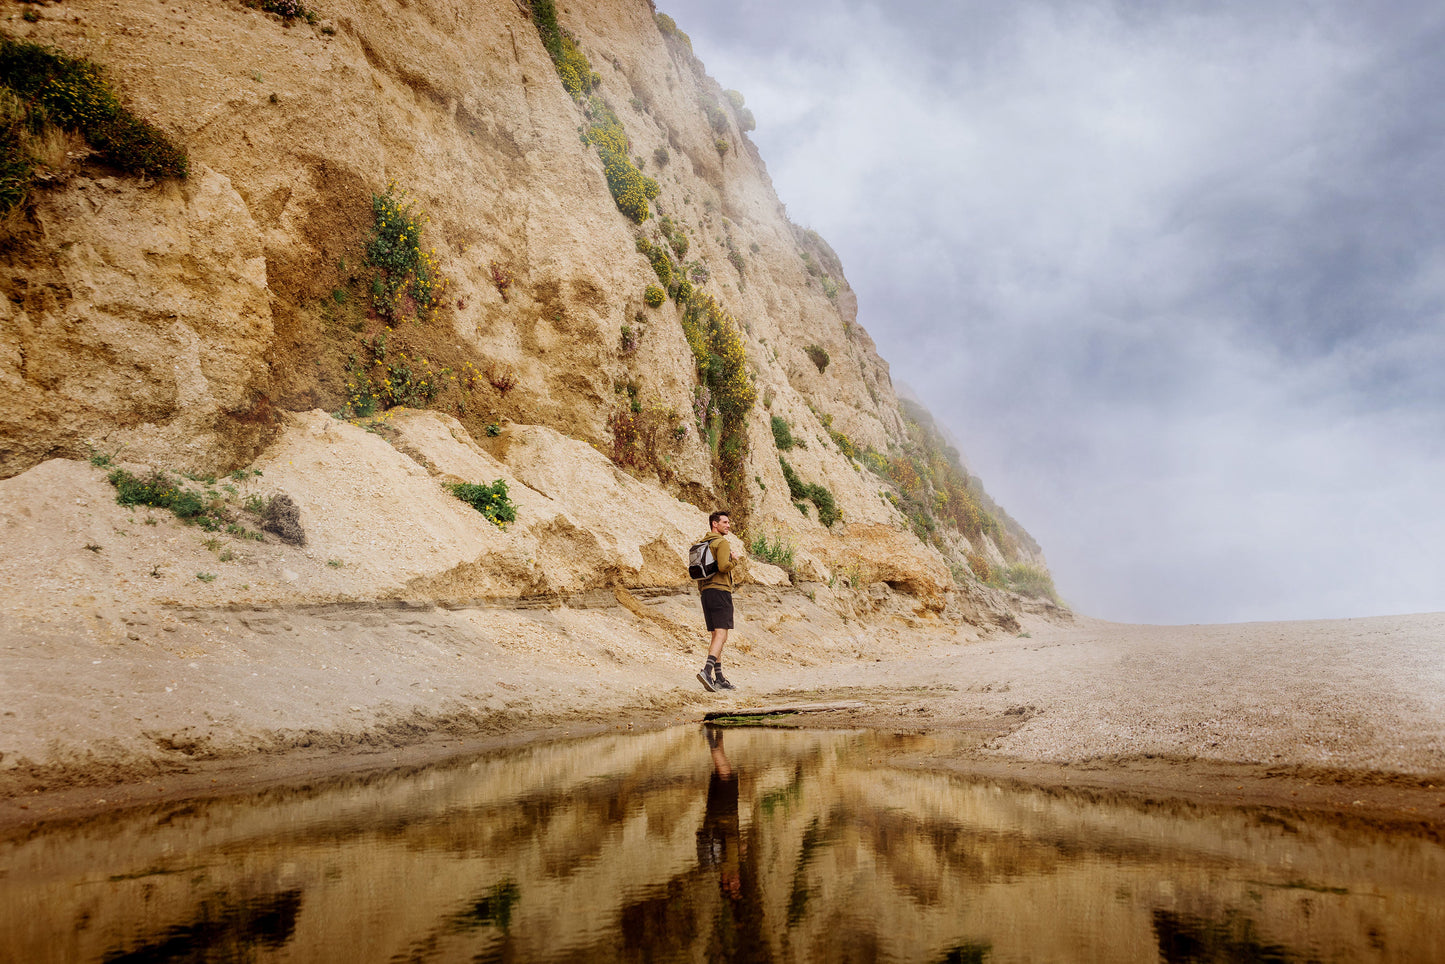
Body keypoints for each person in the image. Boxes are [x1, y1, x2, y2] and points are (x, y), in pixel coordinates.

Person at [694, 510, 737, 692]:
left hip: (706, 593)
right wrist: (734, 561)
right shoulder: (722, 543)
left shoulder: (703, 543)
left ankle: (719, 678)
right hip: (720, 591)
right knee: (721, 635)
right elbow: (723, 566)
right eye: (725, 522)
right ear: (715, 524)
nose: (728, 526)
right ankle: (707, 671)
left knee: (715, 635)